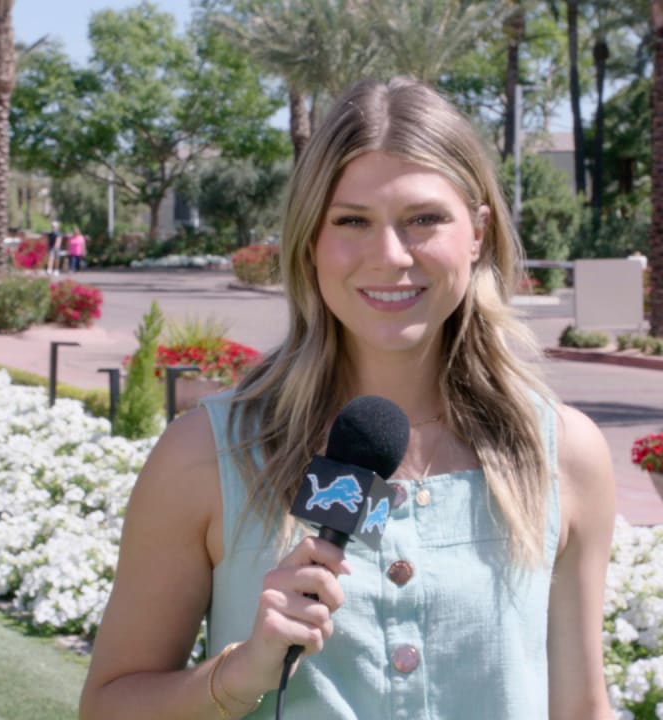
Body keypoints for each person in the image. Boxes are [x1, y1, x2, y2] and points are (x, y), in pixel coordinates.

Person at [78, 77, 615, 719]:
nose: (390, 256)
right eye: (352, 221)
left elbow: (582, 709)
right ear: (310, 240)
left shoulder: (563, 455)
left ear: (477, 233)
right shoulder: (205, 457)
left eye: (423, 219)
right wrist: (242, 671)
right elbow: (108, 708)